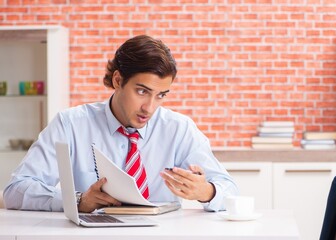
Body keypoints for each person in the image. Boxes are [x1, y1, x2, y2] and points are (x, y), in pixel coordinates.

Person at [3, 35, 238, 213]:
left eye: (161, 95)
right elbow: (15, 191)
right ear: (118, 80)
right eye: (142, 91)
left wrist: (206, 191)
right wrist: (77, 200)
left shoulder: (179, 129)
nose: (150, 107)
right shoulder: (71, 124)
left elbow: (230, 190)